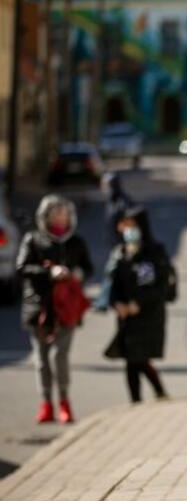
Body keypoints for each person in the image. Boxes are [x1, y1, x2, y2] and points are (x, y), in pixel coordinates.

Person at [16, 195, 94, 424]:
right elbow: (21, 268)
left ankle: (64, 401)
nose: (60, 217)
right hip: (38, 309)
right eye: (55, 213)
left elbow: (88, 268)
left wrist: (77, 274)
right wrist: (48, 273)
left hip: (66, 309)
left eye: (64, 212)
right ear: (45, 216)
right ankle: (46, 403)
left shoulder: (76, 242)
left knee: (58, 354)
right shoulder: (33, 240)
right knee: (41, 360)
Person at [106, 207, 174, 403]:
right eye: (124, 226)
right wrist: (116, 303)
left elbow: (157, 286)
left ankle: (147, 398)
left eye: (131, 226)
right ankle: (142, 399)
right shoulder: (120, 253)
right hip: (126, 315)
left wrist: (138, 303)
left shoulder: (152, 253)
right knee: (132, 359)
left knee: (137, 358)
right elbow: (112, 283)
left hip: (147, 315)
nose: (126, 230)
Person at [94, 172, 134, 312]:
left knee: (111, 272)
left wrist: (127, 245)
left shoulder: (123, 203)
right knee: (112, 273)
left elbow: (130, 225)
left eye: (105, 185)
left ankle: (104, 302)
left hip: (122, 246)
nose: (103, 188)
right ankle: (104, 301)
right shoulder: (112, 200)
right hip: (115, 244)